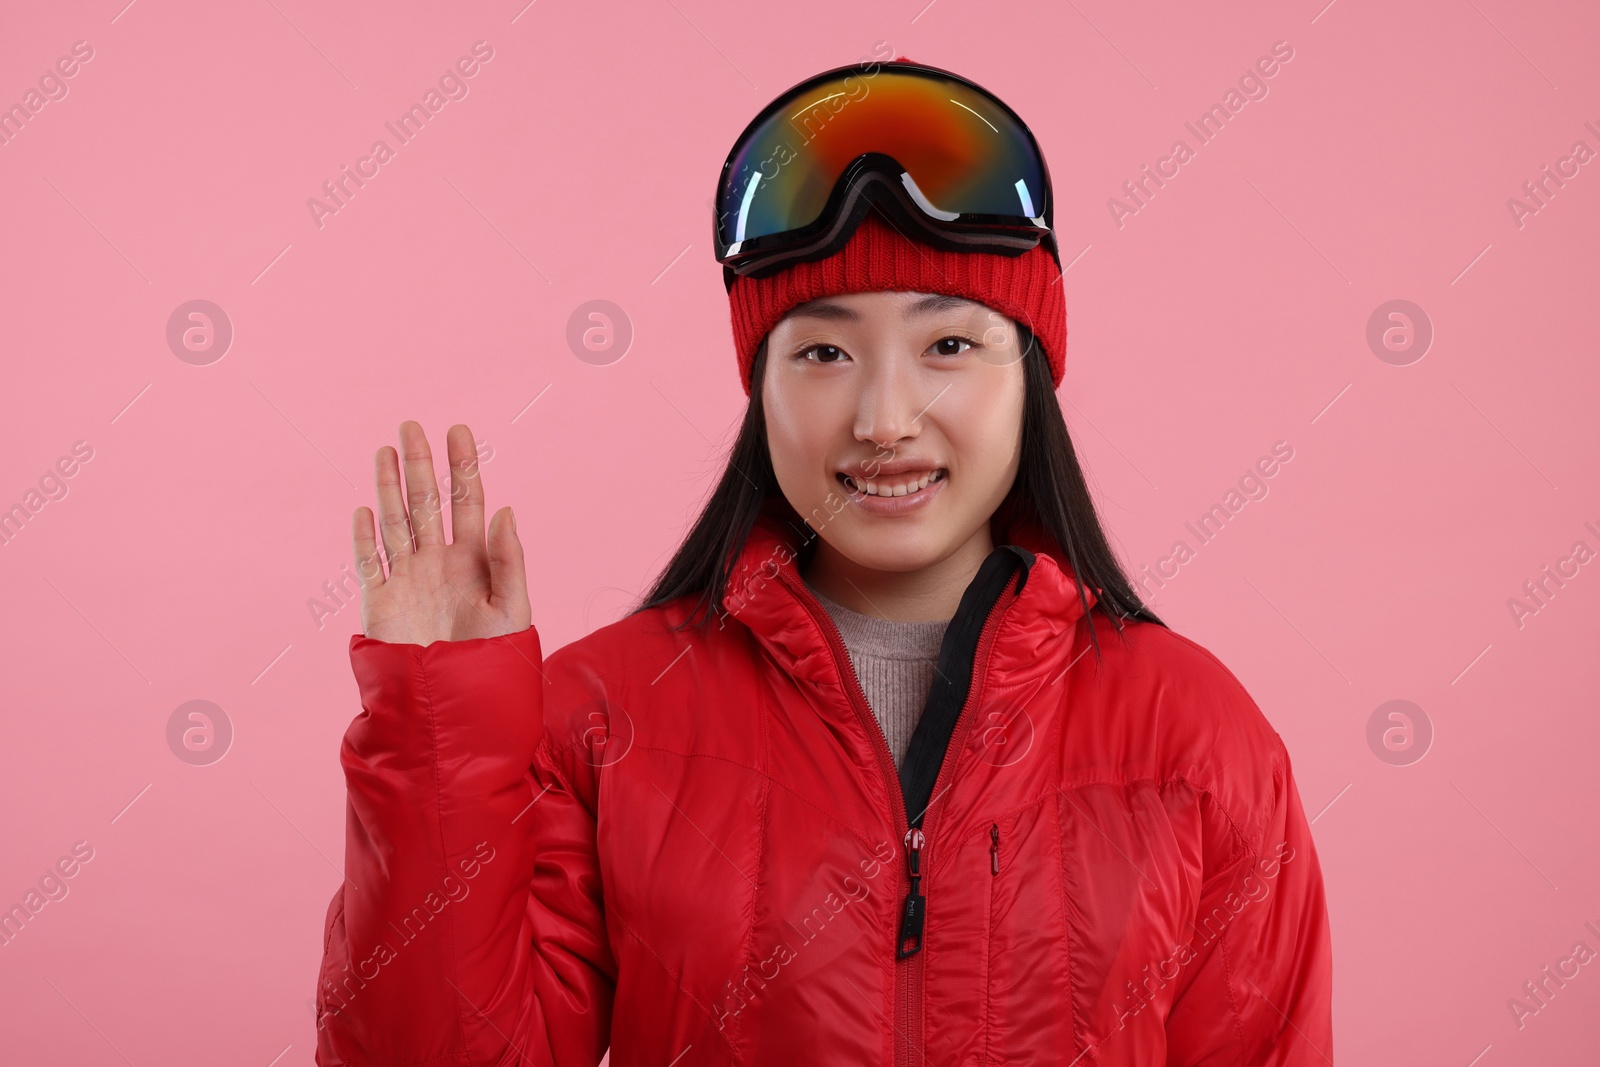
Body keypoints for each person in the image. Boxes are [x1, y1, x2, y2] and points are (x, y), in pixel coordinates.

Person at [314, 57, 1333, 1066]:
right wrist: (440, 743)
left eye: (948, 347)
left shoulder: (1198, 736)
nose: (885, 419)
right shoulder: (599, 716)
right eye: (822, 353)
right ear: (760, 391)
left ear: (1030, 378)